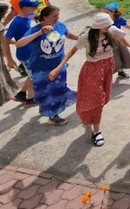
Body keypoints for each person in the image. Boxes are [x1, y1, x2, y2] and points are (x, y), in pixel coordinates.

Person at [50, 13, 120, 146]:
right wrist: (58, 68)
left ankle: (91, 119)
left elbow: (123, 39)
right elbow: (72, 51)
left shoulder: (110, 31)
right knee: (97, 99)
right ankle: (96, 131)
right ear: (98, 26)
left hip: (108, 67)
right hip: (92, 70)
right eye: (106, 25)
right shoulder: (86, 37)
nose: (109, 26)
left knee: (104, 98)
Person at [16, 6, 79, 125]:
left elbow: (68, 34)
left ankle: (53, 114)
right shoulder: (36, 29)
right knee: (44, 91)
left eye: (58, 16)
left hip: (59, 66)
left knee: (57, 90)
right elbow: (19, 44)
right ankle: (48, 110)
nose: (57, 18)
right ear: (44, 18)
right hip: (41, 68)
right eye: (54, 16)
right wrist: (40, 32)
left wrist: (80, 38)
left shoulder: (60, 26)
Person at [7, 0, 40, 105]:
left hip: (34, 52)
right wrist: (9, 59)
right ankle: (31, 99)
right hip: (25, 54)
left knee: (32, 74)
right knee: (33, 76)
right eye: (34, 6)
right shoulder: (17, 22)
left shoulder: (30, 16)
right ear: (25, 8)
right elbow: (5, 41)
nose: (36, 7)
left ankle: (21, 94)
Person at [103, 2, 130, 80]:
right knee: (111, 58)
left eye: (107, 12)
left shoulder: (119, 19)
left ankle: (121, 72)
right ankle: (107, 75)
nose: (105, 14)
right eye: (104, 12)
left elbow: (126, 25)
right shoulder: (103, 21)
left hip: (119, 41)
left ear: (113, 13)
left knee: (122, 55)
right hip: (108, 42)